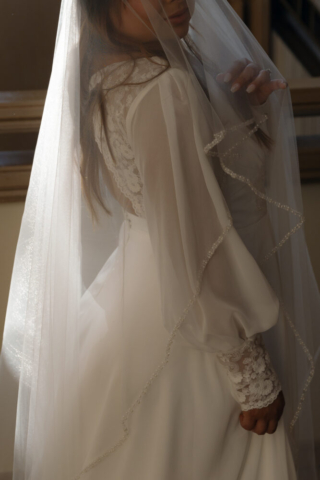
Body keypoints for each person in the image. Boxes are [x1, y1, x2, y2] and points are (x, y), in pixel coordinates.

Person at [0, 0, 319, 478]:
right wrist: (248, 372)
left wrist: (241, 111)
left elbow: (190, 208)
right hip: (193, 327)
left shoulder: (109, 72)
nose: (179, 0)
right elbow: (196, 242)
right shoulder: (161, 87)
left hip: (140, 306)